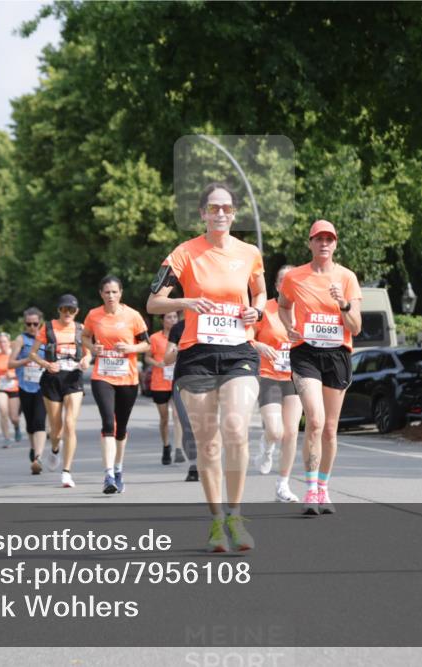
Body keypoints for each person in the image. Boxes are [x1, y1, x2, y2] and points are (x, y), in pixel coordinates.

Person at [147, 182, 265, 553]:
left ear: (234, 213)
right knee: (208, 443)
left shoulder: (249, 253)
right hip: (196, 355)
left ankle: (236, 515)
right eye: (213, 208)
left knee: (236, 427)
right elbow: (153, 303)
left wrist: (257, 310)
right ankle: (217, 522)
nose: (220, 213)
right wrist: (187, 302)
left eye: (226, 208)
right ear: (202, 214)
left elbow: (261, 292)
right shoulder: (183, 253)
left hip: (238, 351)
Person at [278, 220, 361, 516]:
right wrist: (289, 326)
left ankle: (323, 488)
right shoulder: (295, 277)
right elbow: (283, 305)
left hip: (337, 354)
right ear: (310, 243)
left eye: (329, 239)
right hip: (306, 353)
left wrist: (344, 304)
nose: (324, 243)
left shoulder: (347, 278)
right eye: (318, 239)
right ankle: (311, 489)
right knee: (314, 420)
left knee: (329, 429)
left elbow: (356, 327)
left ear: (335, 244)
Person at [83, 276, 149, 494]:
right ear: (101, 294)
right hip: (102, 376)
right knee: (108, 423)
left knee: (121, 429)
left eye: (114, 292)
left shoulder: (133, 316)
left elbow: (146, 344)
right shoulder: (94, 315)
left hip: (127, 378)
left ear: (120, 293)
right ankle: (108, 474)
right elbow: (84, 337)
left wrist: (131, 349)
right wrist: (92, 348)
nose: (110, 296)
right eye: (107, 292)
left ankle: (118, 468)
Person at [252, 265, 302, 502]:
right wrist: (259, 345)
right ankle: (267, 443)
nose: (287, 283)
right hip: (268, 375)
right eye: (283, 280)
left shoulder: (303, 311)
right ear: (276, 285)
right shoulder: (265, 309)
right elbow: (245, 337)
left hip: (295, 377)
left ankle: (283, 485)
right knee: (275, 430)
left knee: (291, 433)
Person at [33, 294, 91, 488]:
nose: (67, 313)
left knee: (70, 424)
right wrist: (46, 364)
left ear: (77, 311)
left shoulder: (81, 329)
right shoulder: (48, 328)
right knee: (56, 430)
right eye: (64, 309)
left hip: (73, 378)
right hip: (52, 379)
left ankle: (66, 472)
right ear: (59, 310)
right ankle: (55, 448)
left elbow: (88, 352)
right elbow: (33, 353)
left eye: (71, 310)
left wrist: (86, 360)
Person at [9, 307, 48, 474]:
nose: (32, 327)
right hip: (25, 387)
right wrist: (27, 360)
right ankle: (33, 448)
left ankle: (38, 457)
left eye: (35, 324)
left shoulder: (46, 338)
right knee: (30, 423)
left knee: (40, 421)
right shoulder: (21, 339)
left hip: (42, 386)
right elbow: (10, 363)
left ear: (40, 323)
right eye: (28, 324)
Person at [146, 311, 186, 465]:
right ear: (162, 320)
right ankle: (166, 446)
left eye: (175, 317)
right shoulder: (155, 338)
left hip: (177, 381)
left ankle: (178, 449)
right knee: (164, 418)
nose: (173, 320)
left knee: (177, 415)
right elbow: (147, 357)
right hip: (160, 382)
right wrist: (157, 363)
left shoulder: (182, 336)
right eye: (169, 317)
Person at [163, 318, 199, 482]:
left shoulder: (219, 320)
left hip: (211, 379)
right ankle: (194, 465)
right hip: (183, 379)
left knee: (210, 424)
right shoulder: (179, 327)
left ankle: (209, 462)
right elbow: (167, 359)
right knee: (188, 425)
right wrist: (179, 349)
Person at [0, 332, 21, 448]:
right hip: (0, 387)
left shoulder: (16, 355)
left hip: (14, 387)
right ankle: (7, 438)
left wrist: (13, 375)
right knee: (3, 411)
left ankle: (16, 426)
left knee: (14, 417)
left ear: (9, 343)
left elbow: (22, 371)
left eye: (5, 342)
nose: (3, 344)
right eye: (0, 342)